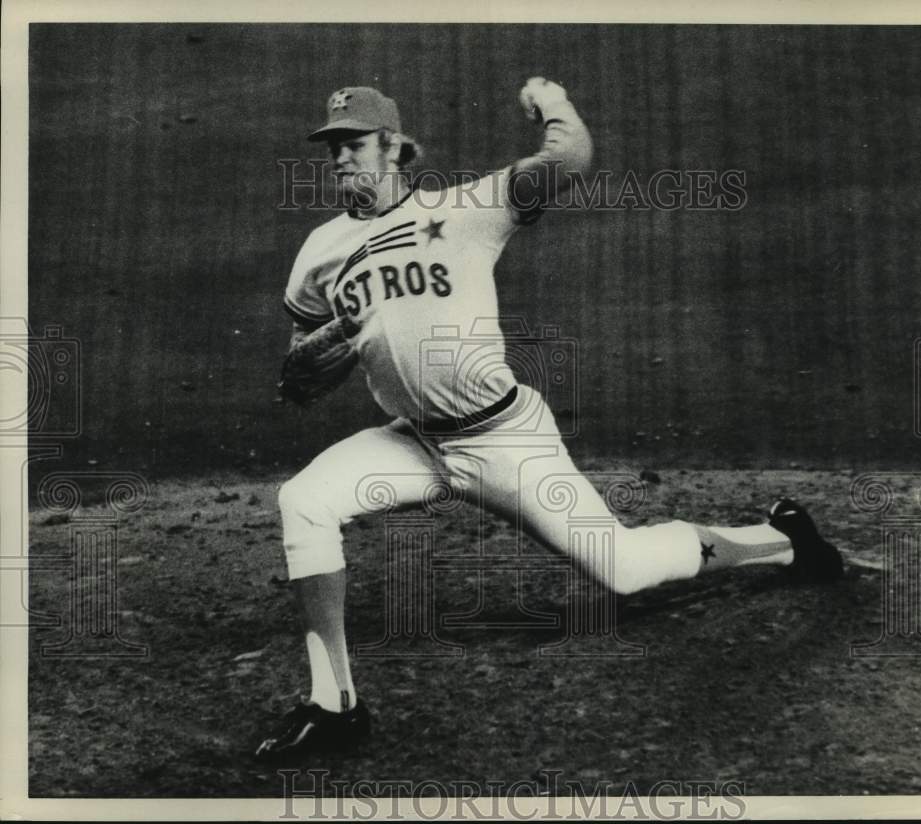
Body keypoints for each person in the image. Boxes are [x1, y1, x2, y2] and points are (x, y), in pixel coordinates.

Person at [256, 80, 843, 761]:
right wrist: (313, 360)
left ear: (394, 146)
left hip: (506, 441)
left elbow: (571, 160)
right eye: (333, 150)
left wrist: (553, 101)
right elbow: (300, 364)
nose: (342, 162)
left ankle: (781, 539)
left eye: (354, 145)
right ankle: (335, 706)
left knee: (624, 569)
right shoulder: (319, 252)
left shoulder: (468, 207)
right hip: (413, 444)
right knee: (303, 500)